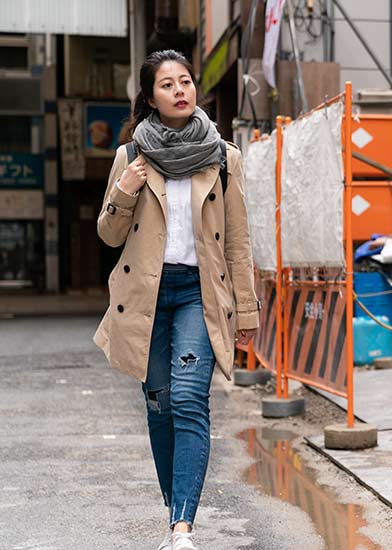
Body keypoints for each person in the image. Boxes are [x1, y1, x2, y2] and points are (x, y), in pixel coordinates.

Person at [93, 49, 259, 550]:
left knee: (189, 400)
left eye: (185, 81)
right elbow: (106, 233)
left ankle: (182, 529)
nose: (180, 91)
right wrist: (124, 190)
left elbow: (237, 241)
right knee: (160, 405)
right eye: (167, 85)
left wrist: (246, 310)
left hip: (199, 295)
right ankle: (176, 514)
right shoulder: (130, 157)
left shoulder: (222, 157)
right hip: (147, 296)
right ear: (149, 98)